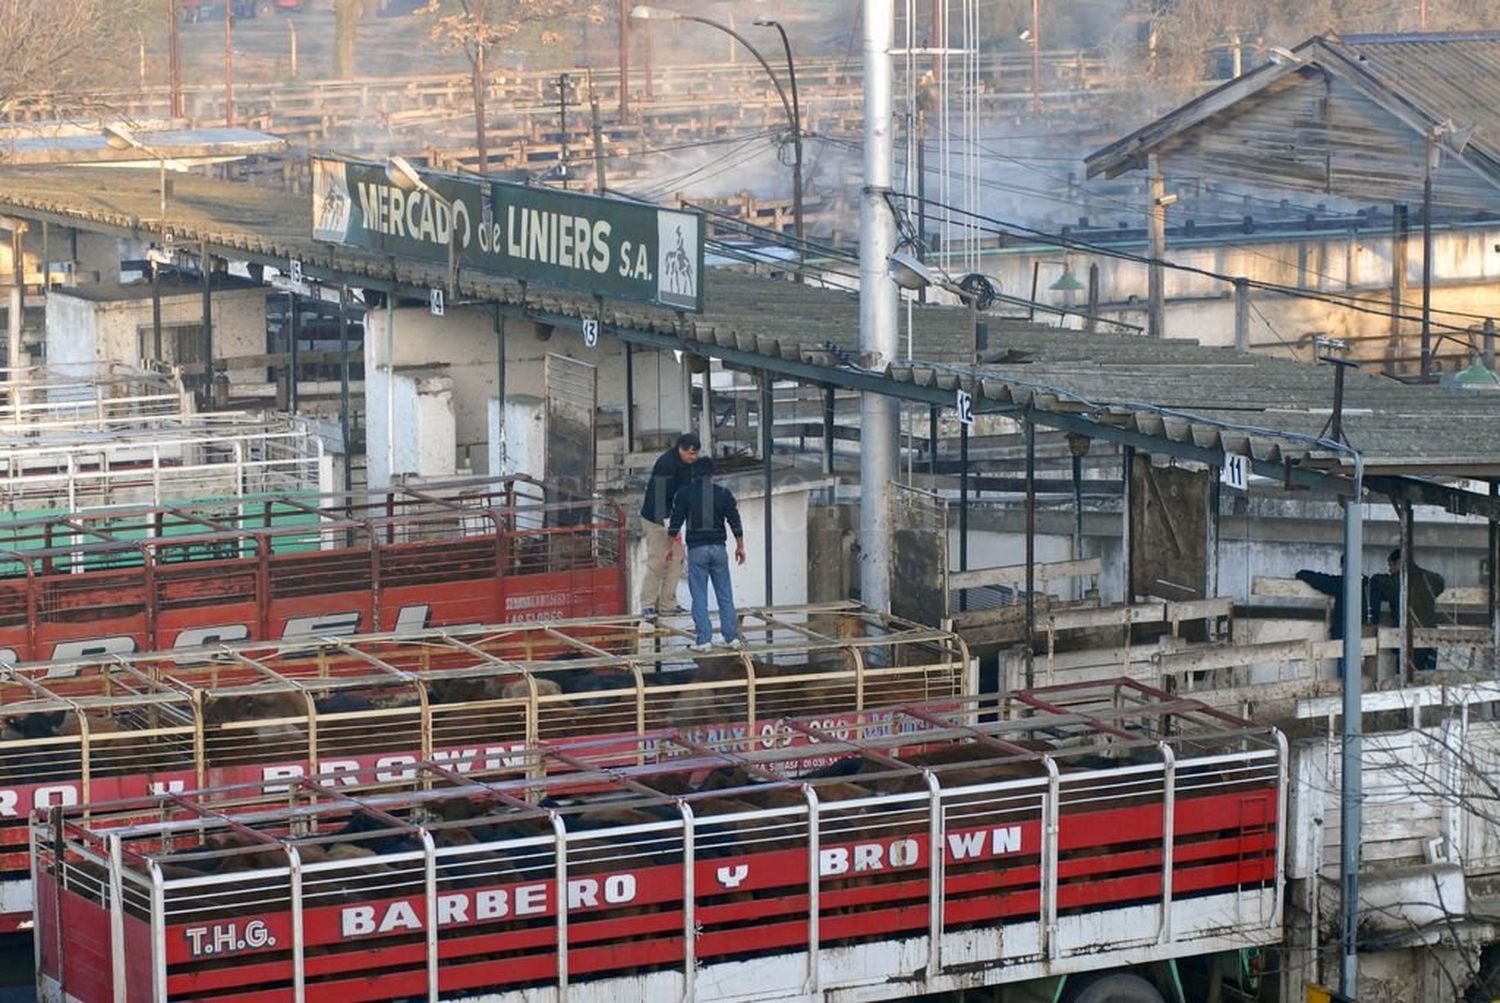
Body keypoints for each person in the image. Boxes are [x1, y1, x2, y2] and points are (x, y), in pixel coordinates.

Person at [666, 456, 745, 652]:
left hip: (697, 551)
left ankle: (704, 641)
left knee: (699, 596)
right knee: (725, 595)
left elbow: (675, 522)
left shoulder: (684, 494)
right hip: (719, 549)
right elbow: (734, 520)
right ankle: (731, 638)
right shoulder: (723, 494)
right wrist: (740, 546)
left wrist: (669, 547)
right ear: (712, 474)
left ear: (694, 473)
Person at [638, 432, 700, 621]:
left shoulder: (688, 465)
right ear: (681, 449)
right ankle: (648, 605)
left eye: (696, 453)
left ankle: (667, 604)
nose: (694, 457)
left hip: (673, 518)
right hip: (656, 519)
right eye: (691, 453)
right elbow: (659, 500)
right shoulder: (666, 464)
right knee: (658, 560)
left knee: (677, 559)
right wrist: (671, 528)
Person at [1371, 548, 1445, 672]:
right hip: (1430, 635)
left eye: (1391, 565)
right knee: (1427, 678)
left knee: (1406, 677)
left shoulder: (1398, 582)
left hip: (1409, 636)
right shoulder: (1432, 579)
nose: (1390, 570)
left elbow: (1379, 582)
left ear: (1400, 562)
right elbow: (1440, 583)